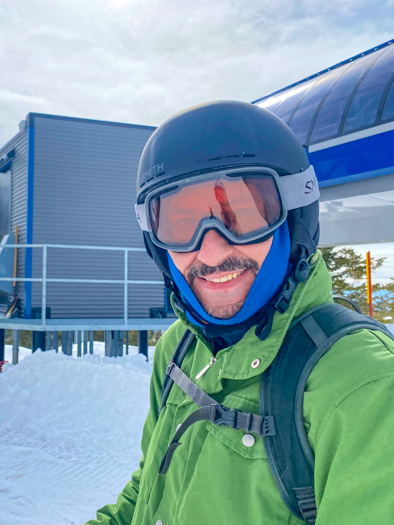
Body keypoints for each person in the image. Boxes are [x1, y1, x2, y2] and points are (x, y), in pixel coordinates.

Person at [87, 101, 394, 524]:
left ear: (293, 216)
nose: (210, 250)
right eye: (180, 223)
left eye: (242, 215)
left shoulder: (363, 384)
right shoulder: (179, 348)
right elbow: (150, 490)